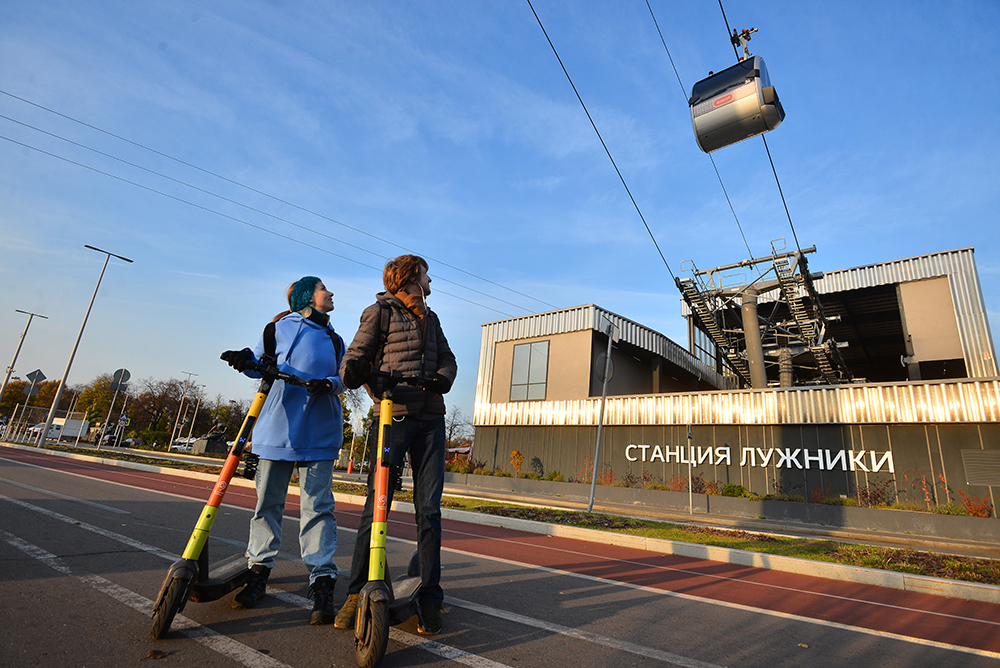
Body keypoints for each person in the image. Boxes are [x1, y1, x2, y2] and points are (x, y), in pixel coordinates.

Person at [335, 255, 457, 635]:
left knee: (429, 509)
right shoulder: (379, 313)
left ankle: (431, 597)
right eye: (426, 274)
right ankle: (356, 592)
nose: (431, 280)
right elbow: (355, 356)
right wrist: (353, 372)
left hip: (431, 420)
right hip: (394, 416)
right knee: (378, 504)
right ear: (410, 278)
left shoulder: (432, 319)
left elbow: (448, 358)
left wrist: (443, 377)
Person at [220, 276, 346, 625]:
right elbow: (257, 362)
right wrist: (244, 358)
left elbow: (344, 378)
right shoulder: (277, 329)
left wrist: (329, 384)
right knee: (267, 504)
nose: (331, 293)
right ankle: (258, 572)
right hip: (277, 430)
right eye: (324, 288)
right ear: (308, 296)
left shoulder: (335, 339)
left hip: (320, 432)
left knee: (318, 507)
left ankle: (322, 581)